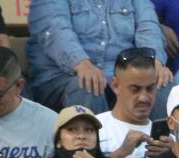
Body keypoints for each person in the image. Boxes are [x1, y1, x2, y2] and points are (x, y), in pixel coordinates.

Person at [27, 0, 168, 113]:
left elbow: (148, 26)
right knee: (88, 85)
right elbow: (56, 31)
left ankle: (157, 146)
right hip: (63, 77)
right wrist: (81, 63)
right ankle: (92, 149)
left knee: (160, 83)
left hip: (120, 76)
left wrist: (154, 61)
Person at [99, 48, 173, 158]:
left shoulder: (168, 141)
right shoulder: (95, 129)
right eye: (135, 89)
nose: (144, 98)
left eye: (150, 89)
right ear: (116, 86)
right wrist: (120, 154)